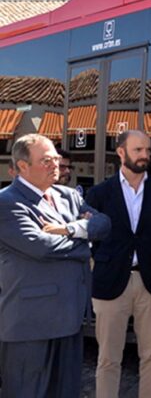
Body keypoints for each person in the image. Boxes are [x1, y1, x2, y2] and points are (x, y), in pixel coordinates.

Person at [0, 134, 111, 398]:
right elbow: (41, 246)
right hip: (30, 324)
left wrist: (71, 229)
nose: (56, 166)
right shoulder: (7, 202)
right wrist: (86, 242)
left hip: (70, 318)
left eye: (56, 159)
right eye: (46, 160)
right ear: (22, 166)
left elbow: (104, 224)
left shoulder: (69, 196)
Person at [87, 130, 151, 398]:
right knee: (108, 357)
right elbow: (93, 238)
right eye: (138, 150)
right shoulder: (100, 193)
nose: (144, 155)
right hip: (111, 281)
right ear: (121, 152)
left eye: (148, 150)